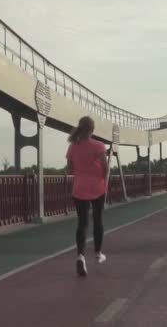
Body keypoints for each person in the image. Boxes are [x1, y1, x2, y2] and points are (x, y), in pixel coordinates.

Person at [66, 116, 109, 276]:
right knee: (98, 219)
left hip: (79, 188)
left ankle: (80, 257)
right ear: (92, 129)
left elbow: (69, 170)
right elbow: (105, 166)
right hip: (97, 187)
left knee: (82, 223)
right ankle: (98, 254)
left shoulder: (72, 147)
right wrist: (103, 179)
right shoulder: (99, 145)